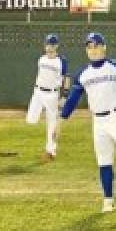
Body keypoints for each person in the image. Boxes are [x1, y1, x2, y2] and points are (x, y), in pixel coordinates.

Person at [55, 32, 116, 213]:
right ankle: (108, 200)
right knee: (104, 161)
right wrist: (61, 121)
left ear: (104, 47)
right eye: (89, 47)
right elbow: (73, 100)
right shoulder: (83, 74)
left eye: (96, 46)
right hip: (98, 121)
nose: (93, 50)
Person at [26, 34, 69, 162]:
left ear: (56, 46)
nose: (49, 47)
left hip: (52, 94)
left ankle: (51, 150)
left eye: (51, 44)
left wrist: (65, 94)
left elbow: (66, 77)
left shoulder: (62, 61)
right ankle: (50, 145)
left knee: (52, 123)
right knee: (31, 120)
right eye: (47, 44)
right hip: (38, 92)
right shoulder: (41, 59)